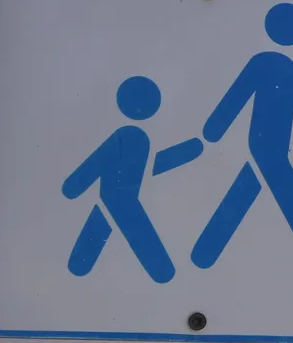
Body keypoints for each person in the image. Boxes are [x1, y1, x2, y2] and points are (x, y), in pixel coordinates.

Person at [192, 2, 293, 278]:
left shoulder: (287, 68)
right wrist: (214, 129)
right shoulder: (273, 64)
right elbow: (240, 95)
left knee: (247, 192)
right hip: (266, 147)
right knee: (286, 196)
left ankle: (202, 255)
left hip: (270, 147)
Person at [61, 75, 201, 284]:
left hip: (116, 198)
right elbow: (98, 164)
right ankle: (163, 274)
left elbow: (146, 166)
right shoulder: (131, 136)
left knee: (96, 242)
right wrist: (72, 187)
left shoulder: (133, 137)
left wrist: (186, 151)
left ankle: (79, 269)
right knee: (141, 241)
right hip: (120, 199)